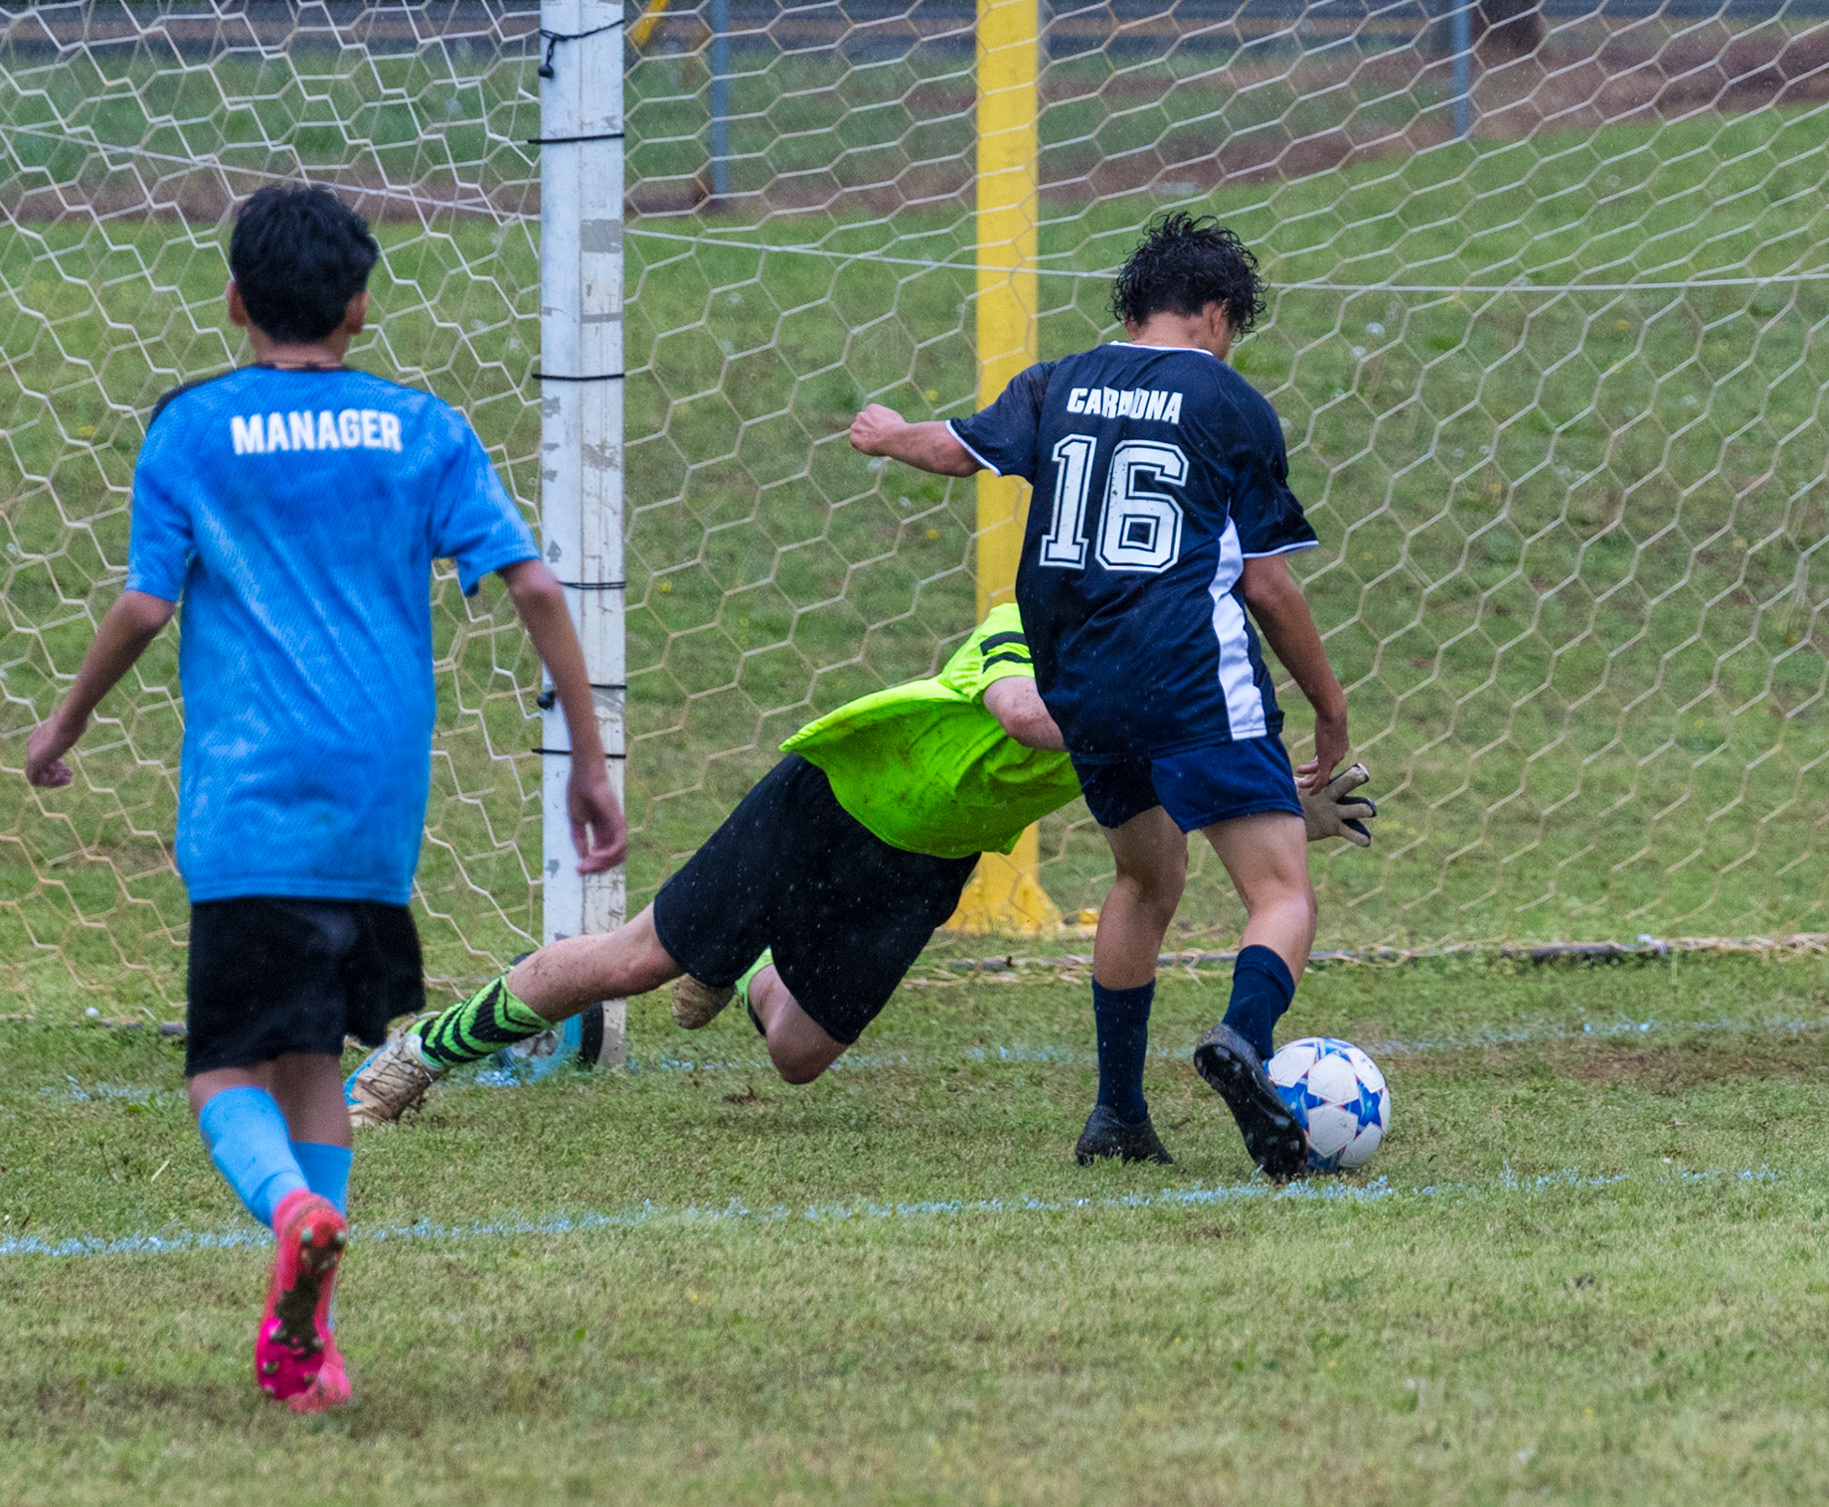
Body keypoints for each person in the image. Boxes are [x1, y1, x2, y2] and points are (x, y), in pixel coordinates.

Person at [22, 185, 626, 1411]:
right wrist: (588, 758)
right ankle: (306, 1347)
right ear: (360, 305)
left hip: (248, 804)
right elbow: (535, 587)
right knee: (310, 1064)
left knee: (221, 1071)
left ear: (233, 299)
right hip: (372, 809)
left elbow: (145, 603)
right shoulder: (423, 428)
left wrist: (64, 721)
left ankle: (293, 1209)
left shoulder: (192, 428)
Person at [346, 602, 1375, 1161]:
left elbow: (1174, 803)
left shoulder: (1156, 689)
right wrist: (1169, 727)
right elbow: (1023, 715)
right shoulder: (1034, 616)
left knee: (796, 1053)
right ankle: (415, 1058)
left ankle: (750, 963)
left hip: (925, 867)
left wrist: (1277, 801)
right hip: (831, 799)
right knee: (636, 960)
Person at [847, 211, 1349, 1182]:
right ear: (1217, 312)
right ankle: (1244, 1039)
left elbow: (955, 448)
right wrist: (1329, 708)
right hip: (1188, 672)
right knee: (1282, 892)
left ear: (1132, 308)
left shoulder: (1058, 381)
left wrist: (886, 433)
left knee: (1144, 881)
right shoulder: (1230, 401)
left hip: (1082, 681)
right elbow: (1268, 585)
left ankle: (1118, 1113)